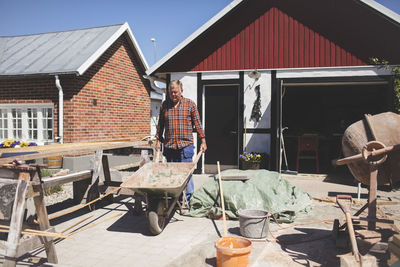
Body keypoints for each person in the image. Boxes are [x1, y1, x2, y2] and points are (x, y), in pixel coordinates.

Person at [155, 80, 207, 203]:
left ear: (181, 91)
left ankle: (188, 201)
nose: (173, 95)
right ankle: (175, 200)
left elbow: (198, 125)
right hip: (170, 146)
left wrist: (203, 141)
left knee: (186, 175)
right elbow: (160, 125)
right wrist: (158, 140)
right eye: (171, 92)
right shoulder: (164, 105)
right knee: (172, 175)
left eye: (175, 92)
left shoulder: (190, 105)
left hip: (185, 146)